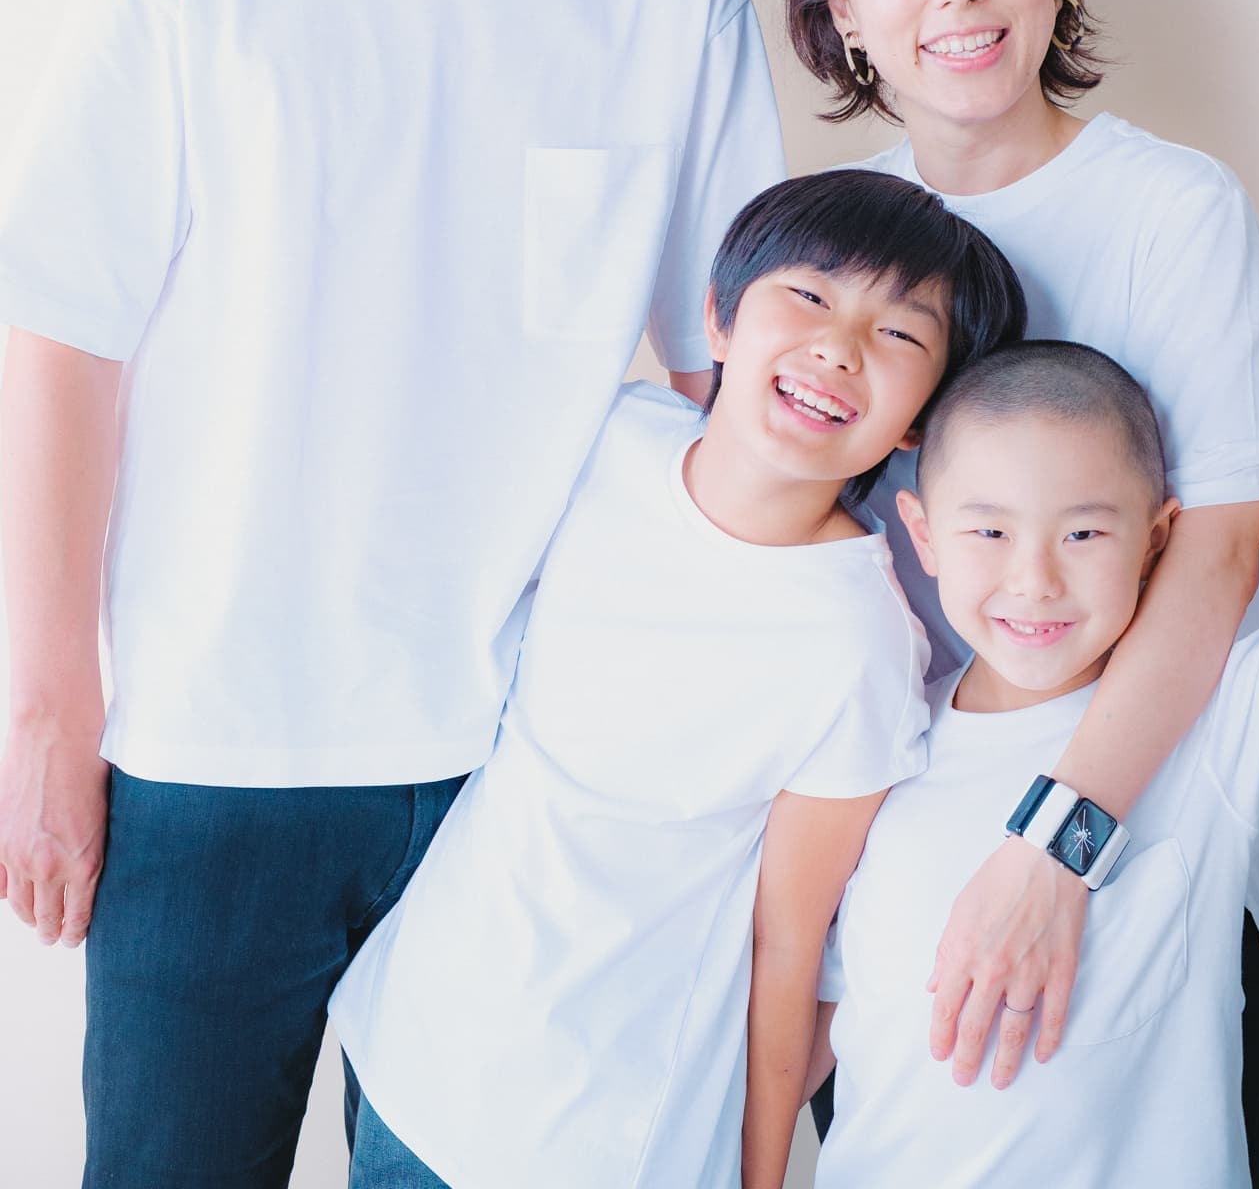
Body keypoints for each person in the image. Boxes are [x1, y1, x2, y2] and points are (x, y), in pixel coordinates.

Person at [0, 0, 784, 1186]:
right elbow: (62, 340)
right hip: (205, 756)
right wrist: (46, 714)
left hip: (528, 776)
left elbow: (731, 383)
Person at [783, 0, 1259, 1180]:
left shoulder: (1173, 212)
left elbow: (1213, 559)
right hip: (895, 891)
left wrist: (1052, 848)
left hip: (1146, 871)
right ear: (843, 12)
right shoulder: (832, 235)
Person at [324, 170, 1026, 1189]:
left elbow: (791, 946)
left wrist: (761, 1174)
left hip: (586, 1127)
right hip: (415, 1034)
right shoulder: (608, 438)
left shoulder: (857, 642)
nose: (838, 348)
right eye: (810, 295)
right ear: (719, 317)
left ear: (922, 420)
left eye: (898, 336)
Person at [808, 340, 1259, 1187]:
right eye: (989, 530)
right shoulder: (880, 735)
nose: (1034, 580)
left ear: (1156, 537)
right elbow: (824, 1015)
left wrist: (1242, 507)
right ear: (922, 533)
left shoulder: (1215, 723)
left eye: (1084, 532)